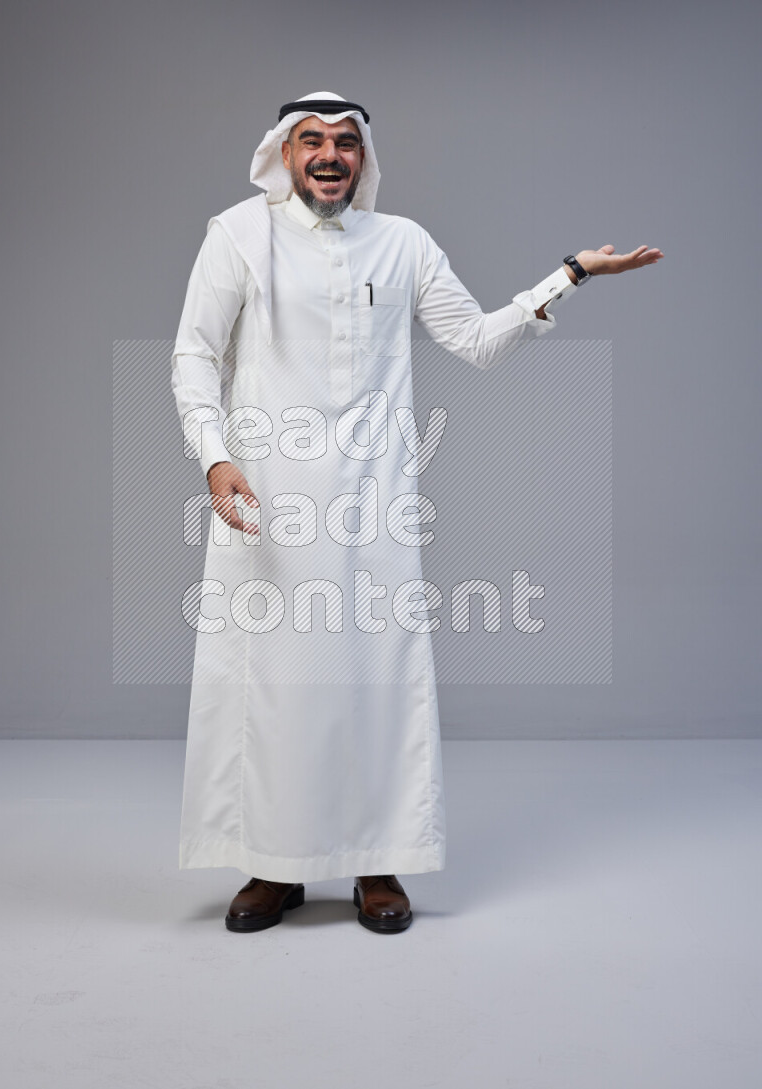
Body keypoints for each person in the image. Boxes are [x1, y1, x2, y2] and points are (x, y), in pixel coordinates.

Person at [170, 91, 663, 934]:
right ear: (283, 155)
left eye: (345, 143)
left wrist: (571, 275)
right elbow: (194, 354)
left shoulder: (402, 244)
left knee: (374, 682)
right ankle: (272, 866)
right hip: (267, 502)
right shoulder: (236, 237)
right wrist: (216, 460)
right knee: (277, 687)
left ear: (363, 158)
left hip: (372, 504)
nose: (330, 156)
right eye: (312, 142)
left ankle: (375, 864)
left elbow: (473, 340)